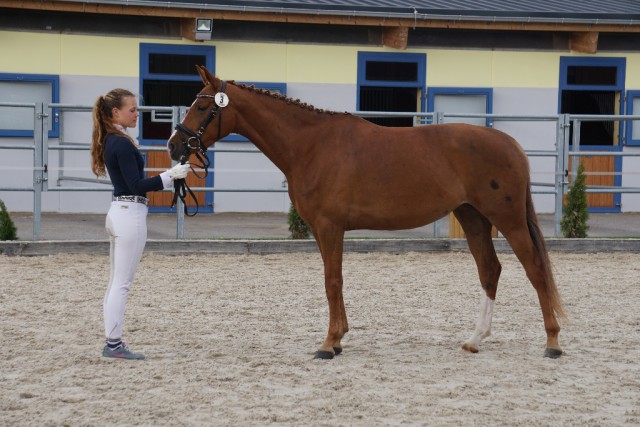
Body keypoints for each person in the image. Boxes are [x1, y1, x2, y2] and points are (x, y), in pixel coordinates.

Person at [90, 88, 190, 360]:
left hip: (120, 212)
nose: (137, 114)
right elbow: (137, 185)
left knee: (116, 282)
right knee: (121, 284)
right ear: (115, 112)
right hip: (129, 214)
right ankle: (113, 345)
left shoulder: (114, 140)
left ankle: (112, 342)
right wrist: (170, 176)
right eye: (132, 109)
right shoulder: (120, 143)